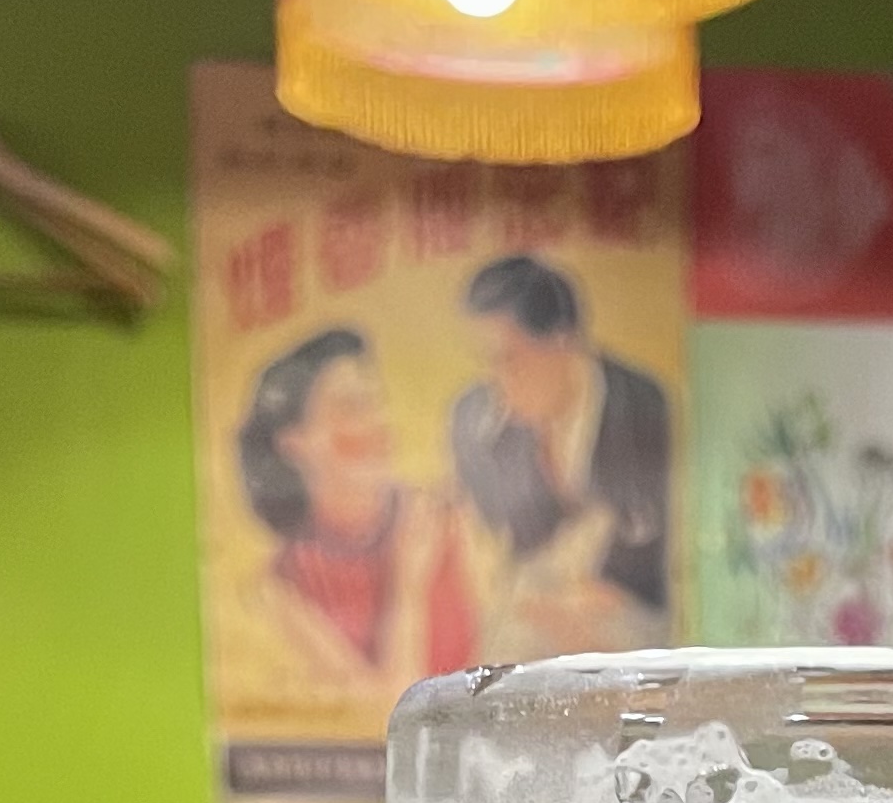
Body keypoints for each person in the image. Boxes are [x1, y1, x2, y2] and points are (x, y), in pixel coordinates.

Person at [235, 326, 474, 705]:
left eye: (376, 402)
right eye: (352, 408)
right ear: (294, 442)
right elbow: (388, 714)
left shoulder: (443, 517)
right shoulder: (284, 586)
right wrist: (407, 587)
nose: (377, 422)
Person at [448, 254, 672, 652]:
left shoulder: (644, 409)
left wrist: (590, 609)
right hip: (527, 608)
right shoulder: (474, 419)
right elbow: (489, 554)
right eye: (487, 363)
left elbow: (658, 566)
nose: (497, 384)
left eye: (509, 360)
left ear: (564, 343)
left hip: (626, 619)